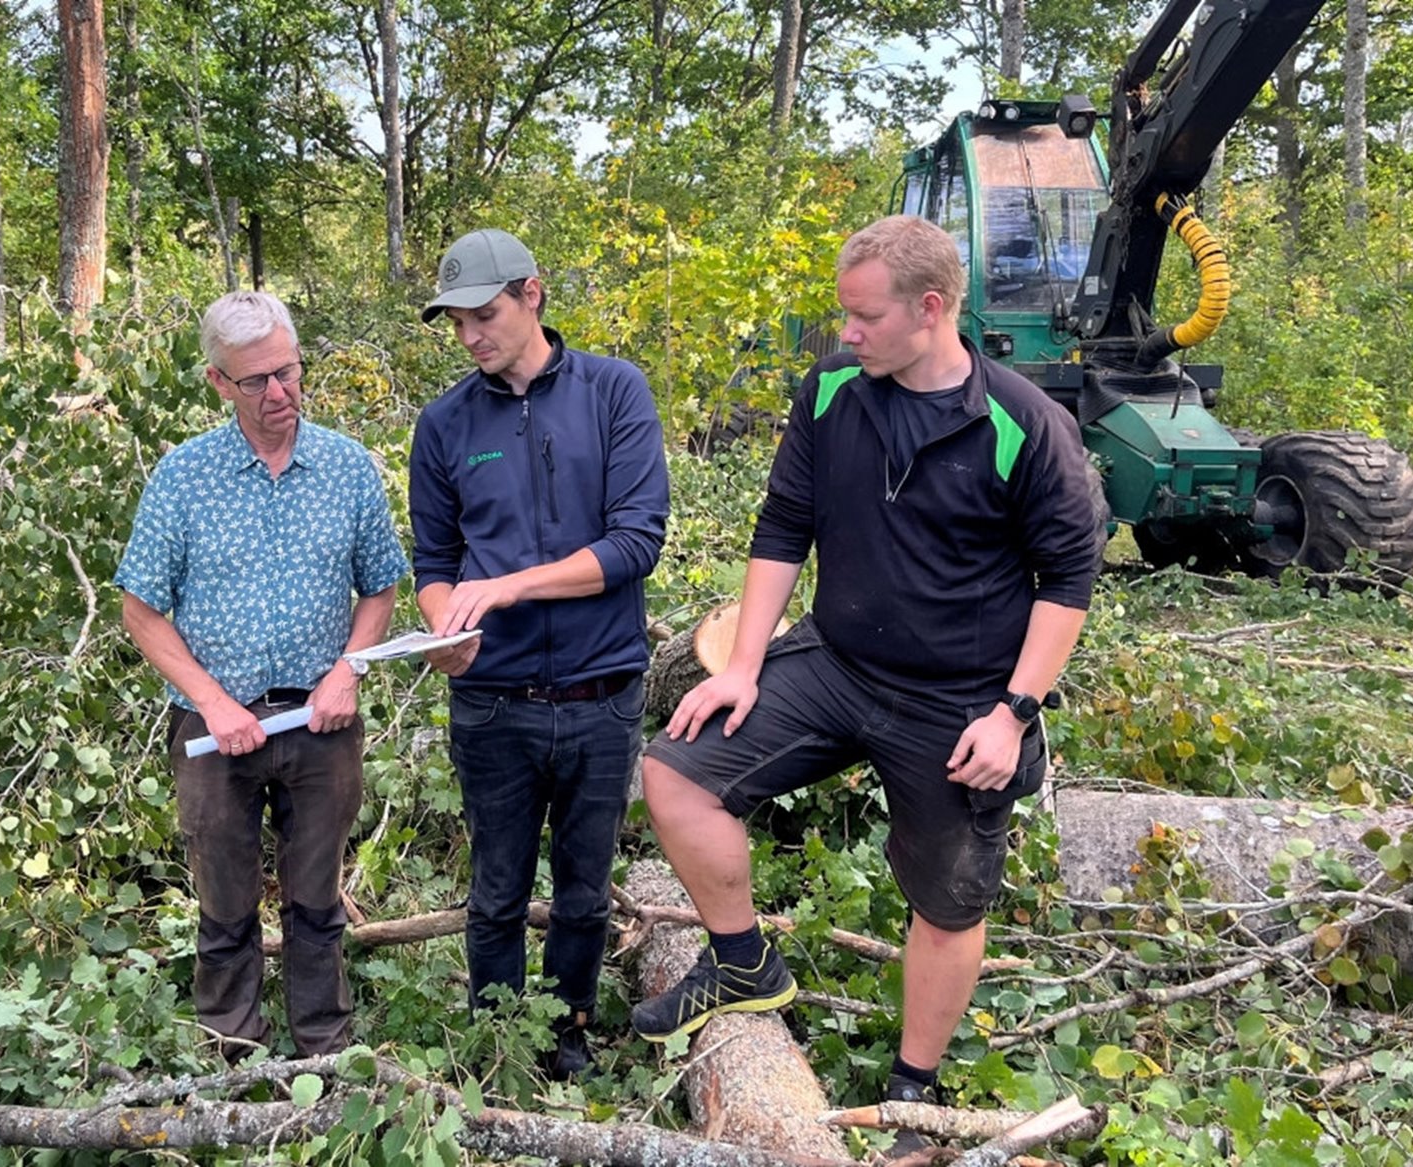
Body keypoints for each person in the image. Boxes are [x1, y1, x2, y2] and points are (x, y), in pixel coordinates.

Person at [630, 215, 1103, 1109]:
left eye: (863, 316)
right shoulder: (834, 388)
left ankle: (912, 1092)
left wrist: (1015, 712)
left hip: (959, 699)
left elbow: (1069, 580)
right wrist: (741, 663)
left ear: (930, 309)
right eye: (843, 316)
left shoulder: (1023, 425)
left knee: (949, 899)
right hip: (837, 665)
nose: (845, 332)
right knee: (676, 773)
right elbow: (784, 524)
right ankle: (742, 962)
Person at [115, 291, 408, 1061]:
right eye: (256, 382)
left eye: (289, 372)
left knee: (316, 899)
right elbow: (140, 610)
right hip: (216, 732)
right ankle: (232, 1055)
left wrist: (347, 670)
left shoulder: (345, 467)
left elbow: (382, 583)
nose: (279, 394)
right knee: (225, 902)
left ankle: (325, 1048)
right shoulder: (185, 477)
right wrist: (212, 703)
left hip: (322, 721)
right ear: (219, 383)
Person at [408, 228, 670, 1078]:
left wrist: (511, 587)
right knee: (495, 890)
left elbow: (635, 543)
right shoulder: (445, 423)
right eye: (455, 322)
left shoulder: (613, 393)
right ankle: (493, 1044)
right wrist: (446, 629)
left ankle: (566, 1037)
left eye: (483, 314)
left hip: (602, 694)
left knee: (585, 891)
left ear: (533, 294)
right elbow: (436, 563)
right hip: (493, 701)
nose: (470, 335)